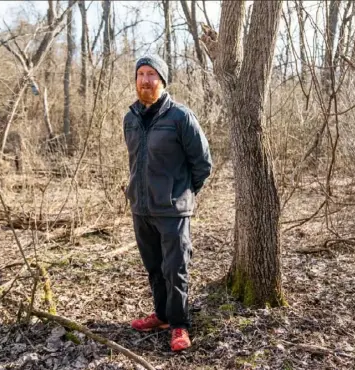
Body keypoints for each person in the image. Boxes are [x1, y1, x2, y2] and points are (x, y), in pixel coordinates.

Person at [123, 54, 212, 352]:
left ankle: (178, 324)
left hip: (173, 211)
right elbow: (135, 163)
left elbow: (202, 164)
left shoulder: (180, 117)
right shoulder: (131, 118)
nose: (146, 80)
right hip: (141, 208)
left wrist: (182, 194)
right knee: (154, 267)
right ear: (136, 80)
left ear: (162, 80)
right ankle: (161, 315)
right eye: (141, 74)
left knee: (175, 269)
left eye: (152, 75)